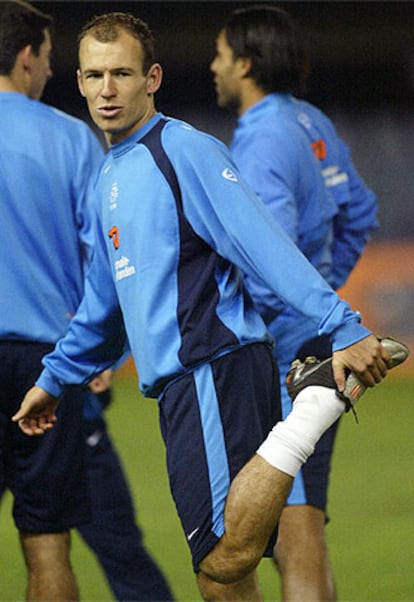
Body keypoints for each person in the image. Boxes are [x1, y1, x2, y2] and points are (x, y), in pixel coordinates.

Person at [12, 12, 392, 602]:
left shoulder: (181, 151)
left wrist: (340, 324)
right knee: (224, 580)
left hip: (213, 369)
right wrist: (55, 379)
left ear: (152, 77)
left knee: (221, 559)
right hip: (182, 389)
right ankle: (314, 404)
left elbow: (264, 246)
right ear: (80, 82)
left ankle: (315, 406)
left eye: (121, 74)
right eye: (93, 75)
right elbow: (104, 308)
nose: (107, 90)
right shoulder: (109, 175)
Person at [0, 2, 173, 601]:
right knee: (48, 541)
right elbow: (104, 262)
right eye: (48, 59)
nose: (47, 72)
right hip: (43, 364)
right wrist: (92, 353)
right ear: (27, 58)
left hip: (45, 360)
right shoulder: (73, 141)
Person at [210, 5, 378, 600]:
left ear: (246, 64)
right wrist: (325, 285)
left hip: (283, 351)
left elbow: (265, 253)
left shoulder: (260, 139)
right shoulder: (311, 121)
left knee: (293, 526)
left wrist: (289, 305)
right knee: (301, 522)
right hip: (314, 337)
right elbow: (361, 211)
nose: (213, 67)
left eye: (222, 56)